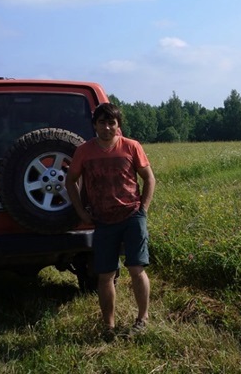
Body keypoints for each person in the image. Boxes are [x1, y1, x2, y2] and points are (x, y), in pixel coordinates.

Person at [67, 102, 156, 339]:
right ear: (94, 125)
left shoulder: (132, 147)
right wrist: (81, 212)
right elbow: (70, 182)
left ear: (118, 125)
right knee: (105, 275)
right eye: (102, 123)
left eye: (112, 123)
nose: (107, 128)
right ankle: (109, 327)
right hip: (103, 221)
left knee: (137, 269)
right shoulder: (84, 151)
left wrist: (143, 209)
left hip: (132, 217)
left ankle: (142, 319)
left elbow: (149, 179)